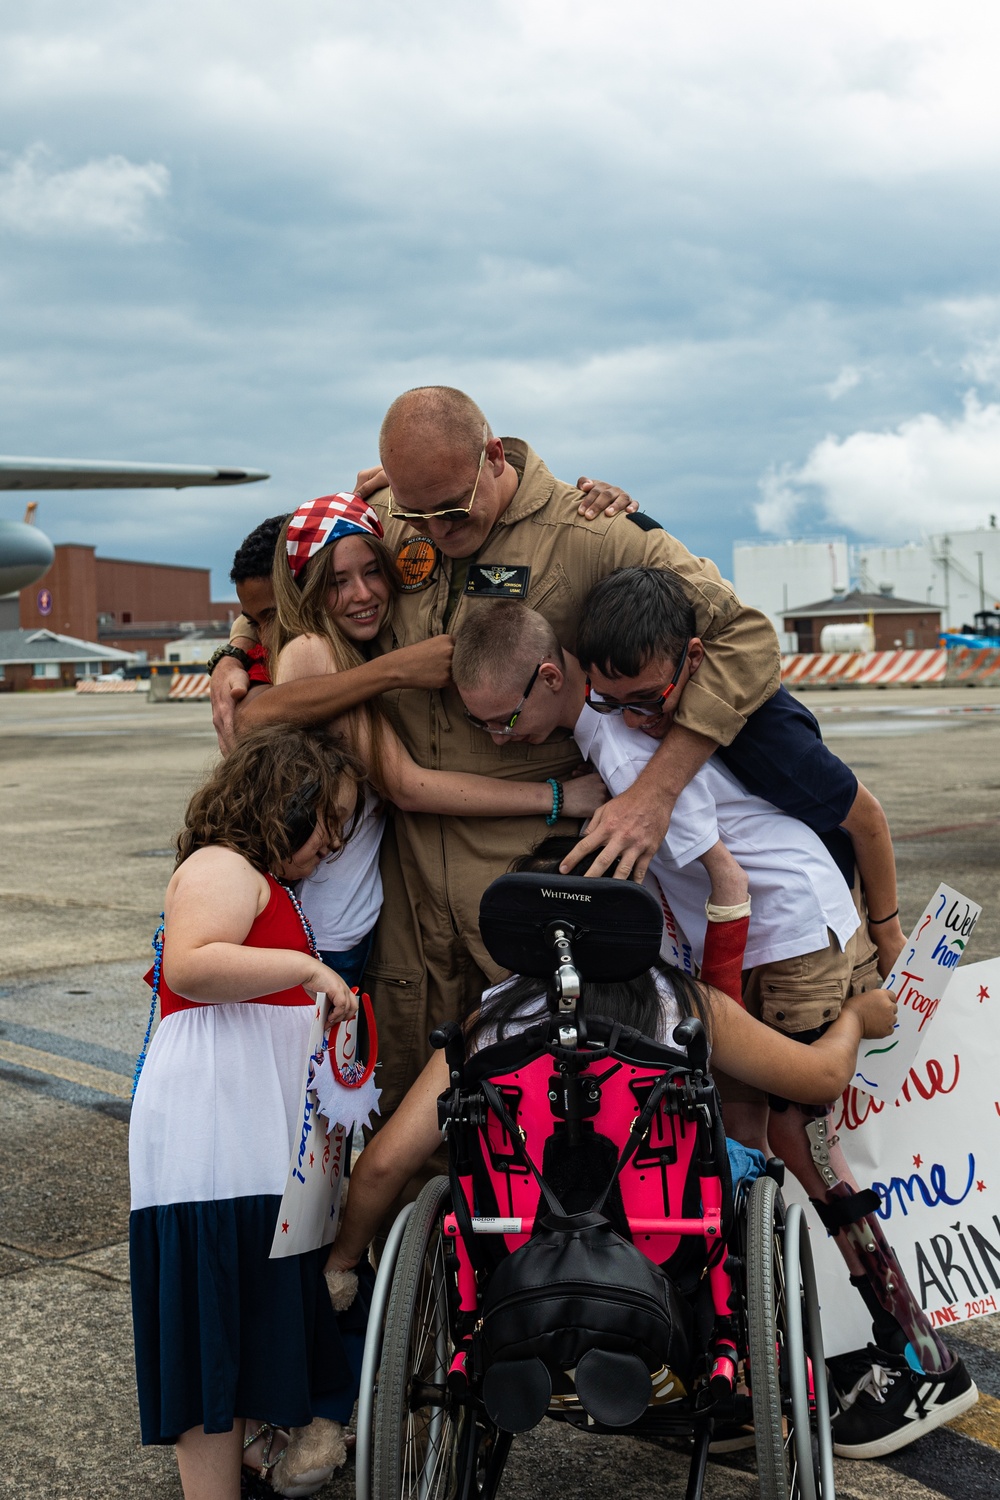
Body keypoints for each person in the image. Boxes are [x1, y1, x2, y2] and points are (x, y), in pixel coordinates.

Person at [451, 585, 977, 1458]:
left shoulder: (618, 741)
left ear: (551, 677)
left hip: (783, 935)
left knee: (787, 1143)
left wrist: (710, 1007)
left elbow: (726, 879)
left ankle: (917, 1354)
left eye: (504, 720)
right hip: (773, 932)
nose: (500, 738)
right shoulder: (605, 729)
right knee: (749, 1143)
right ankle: (769, 1361)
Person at [211, 386, 781, 1121]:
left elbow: (747, 639)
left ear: (491, 458)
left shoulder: (589, 534)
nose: (434, 530)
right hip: (409, 896)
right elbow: (303, 582)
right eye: (416, 515)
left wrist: (654, 794)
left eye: (451, 509)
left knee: (559, 1109)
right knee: (404, 1104)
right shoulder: (394, 516)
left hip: (530, 878)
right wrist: (239, 644)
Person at [129, 725, 370, 1500]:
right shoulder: (221, 867)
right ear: (284, 803)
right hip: (213, 1143)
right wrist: (308, 969)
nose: (333, 840)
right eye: (328, 818)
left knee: (227, 1334)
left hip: (244, 1142)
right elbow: (194, 964)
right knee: (211, 1339)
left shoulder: (266, 882)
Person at [262, 491, 609, 980]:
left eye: (372, 572)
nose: (362, 594)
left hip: (341, 924)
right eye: (337, 582)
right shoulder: (315, 650)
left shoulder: (347, 646)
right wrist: (558, 795)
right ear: (307, 590)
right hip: (322, 933)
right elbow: (406, 785)